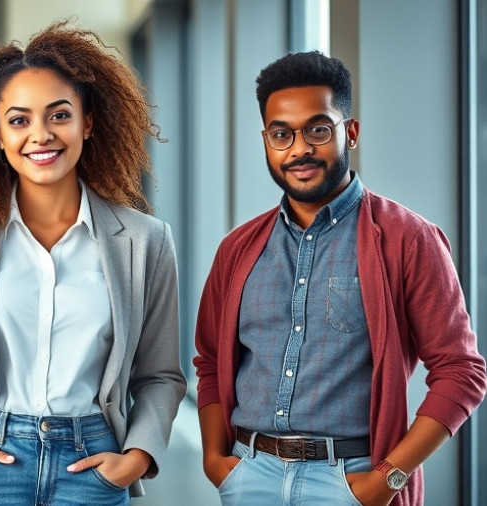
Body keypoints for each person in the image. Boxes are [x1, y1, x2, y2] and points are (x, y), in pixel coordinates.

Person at [0, 22, 187, 505]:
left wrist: (136, 456)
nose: (41, 135)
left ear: (87, 123)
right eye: (19, 120)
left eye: (59, 115)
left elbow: (160, 374)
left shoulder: (145, 240)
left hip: (93, 463)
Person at [193, 50, 486, 506]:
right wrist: (215, 459)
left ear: (350, 132)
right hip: (249, 475)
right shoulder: (236, 250)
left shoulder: (408, 239)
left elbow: (461, 372)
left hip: (353, 480)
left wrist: (386, 480)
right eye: (281, 134)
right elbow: (210, 362)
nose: (299, 148)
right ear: (266, 140)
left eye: (318, 129)